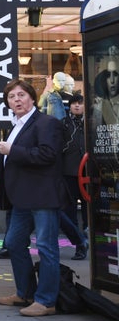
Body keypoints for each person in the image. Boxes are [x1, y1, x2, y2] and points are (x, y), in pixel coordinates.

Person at [0, 78, 65, 317]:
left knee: (46, 247)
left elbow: (47, 155)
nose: (17, 100)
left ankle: (46, 301)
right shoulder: (17, 125)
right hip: (22, 198)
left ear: (32, 98)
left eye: (21, 95)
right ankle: (25, 293)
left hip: (42, 197)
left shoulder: (46, 123)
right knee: (13, 244)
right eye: (12, 97)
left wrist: (12, 151)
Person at [62, 94, 89, 249]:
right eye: (74, 104)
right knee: (70, 208)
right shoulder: (64, 123)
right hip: (69, 171)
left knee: (88, 207)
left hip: (88, 172)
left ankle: (88, 235)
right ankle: (78, 243)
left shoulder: (91, 122)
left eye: (80, 103)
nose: (77, 106)